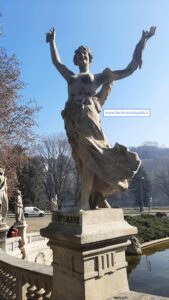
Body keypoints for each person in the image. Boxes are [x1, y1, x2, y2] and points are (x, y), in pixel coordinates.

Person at [46, 26, 156, 210]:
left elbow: (129, 69)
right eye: (79, 55)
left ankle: (84, 202)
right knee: (82, 162)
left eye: (85, 55)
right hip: (73, 124)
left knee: (90, 158)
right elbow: (56, 62)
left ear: (89, 58)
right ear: (75, 60)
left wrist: (143, 42)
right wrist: (52, 42)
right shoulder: (71, 76)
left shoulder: (97, 77)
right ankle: (97, 197)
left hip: (90, 121)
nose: (82, 57)